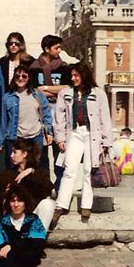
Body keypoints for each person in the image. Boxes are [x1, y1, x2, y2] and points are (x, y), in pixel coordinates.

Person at [51, 62, 112, 228]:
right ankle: (61, 205)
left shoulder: (98, 94)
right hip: (74, 133)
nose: (73, 78)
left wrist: (106, 141)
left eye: (76, 75)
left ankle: (86, 205)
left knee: (88, 170)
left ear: (84, 75)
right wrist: (60, 139)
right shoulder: (65, 93)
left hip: (92, 134)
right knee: (69, 169)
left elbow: (105, 118)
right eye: (72, 75)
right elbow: (59, 118)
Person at [29, 35, 71, 189]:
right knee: (41, 152)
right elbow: (33, 91)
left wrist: (45, 89)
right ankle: (44, 185)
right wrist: (56, 91)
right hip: (40, 114)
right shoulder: (34, 68)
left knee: (59, 149)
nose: (60, 50)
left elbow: (67, 88)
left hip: (59, 112)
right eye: (56, 47)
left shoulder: (64, 67)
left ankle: (60, 185)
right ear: (47, 49)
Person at [0, 65, 53, 168]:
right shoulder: (7, 97)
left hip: (35, 137)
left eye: (24, 76)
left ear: (29, 78)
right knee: (14, 168)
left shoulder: (38, 95)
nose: (20, 79)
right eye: (17, 76)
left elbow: (46, 115)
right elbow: (3, 121)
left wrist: (49, 132)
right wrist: (0, 142)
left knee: (34, 167)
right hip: (15, 137)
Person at [0, 138, 55, 231]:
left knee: (48, 204)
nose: (11, 155)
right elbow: (0, 202)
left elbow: (48, 189)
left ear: (24, 154)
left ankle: (37, 237)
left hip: (32, 216)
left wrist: (32, 172)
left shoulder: (40, 172)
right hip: (15, 217)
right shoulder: (7, 174)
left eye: (15, 152)